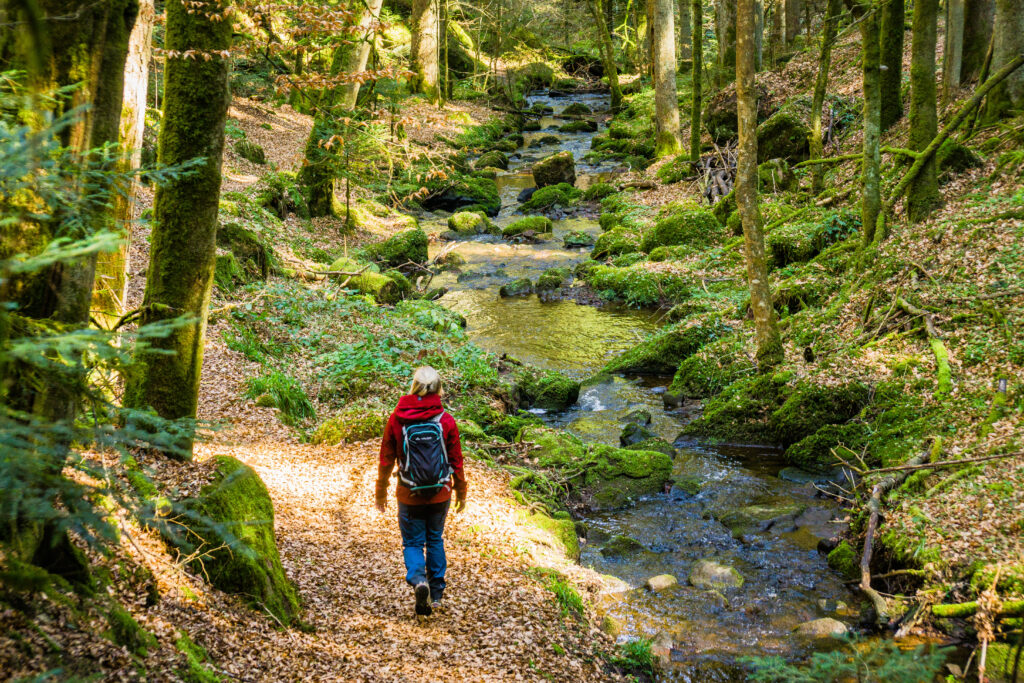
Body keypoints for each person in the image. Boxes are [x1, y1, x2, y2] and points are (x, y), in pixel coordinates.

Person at [375, 366, 467, 616]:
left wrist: (380, 492)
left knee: (413, 542)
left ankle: (419, 581)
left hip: (408, 492)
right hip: (440, 493)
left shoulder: (397, 418)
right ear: (438, 389)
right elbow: (456, 461)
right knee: (435, 539)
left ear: (413, 386)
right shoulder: (446, 420)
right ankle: (436, 595)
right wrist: (461, 491)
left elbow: (386, 458)